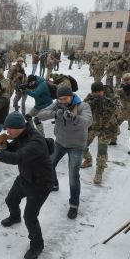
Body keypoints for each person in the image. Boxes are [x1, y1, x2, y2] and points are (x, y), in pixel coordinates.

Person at [0, 111, 54, 259]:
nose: (7, 131)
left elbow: (17, 158)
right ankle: (14, 217)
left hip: (40, 184)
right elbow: (12, 149)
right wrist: (4, 145)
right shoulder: (20, 135)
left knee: (30, 217)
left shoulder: (35, 142)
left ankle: (37, 245)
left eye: (9, 129)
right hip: (25, 177)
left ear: (20, 127)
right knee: (10, 200)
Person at [37, 87, 92, 219]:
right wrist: (55, 114)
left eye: (65, 99)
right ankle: (54, 184)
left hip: (76, 146)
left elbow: (88, 122)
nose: (63, 101)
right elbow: (40, 114)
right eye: (60, 99)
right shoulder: (57, 104)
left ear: (71, 96)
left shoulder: (83, 106)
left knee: (73, 177)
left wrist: (74, 117)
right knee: (49, 164)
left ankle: (74, 205)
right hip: (60, 143)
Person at [81, 82, 121, 184]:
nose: (97, 93)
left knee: (102, 150)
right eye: (95, 92)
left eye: (99, 91)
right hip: (93, 127)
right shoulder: (89, 98)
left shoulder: (112, 98)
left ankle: (99, 172)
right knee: (82, 146)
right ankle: (88, 160)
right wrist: (92, 103)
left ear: (103, 90)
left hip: (106, 129)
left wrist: (108, 105)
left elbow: (119, 111)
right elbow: (83, 109)